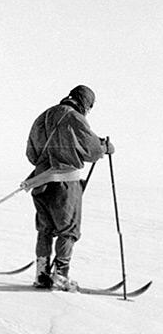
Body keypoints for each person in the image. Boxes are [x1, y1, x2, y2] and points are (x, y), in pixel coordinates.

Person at [25, 85, 113, 291]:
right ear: (84, 102)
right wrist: (105, 147)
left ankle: (41, 274)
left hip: (39, 181)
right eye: (89, 106)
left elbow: (31, 153)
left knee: (45, 229)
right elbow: (91, 151)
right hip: (65, 183)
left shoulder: (44, 116)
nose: (89, 111)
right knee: (68, 230)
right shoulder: (75, 117)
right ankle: (61, 276)